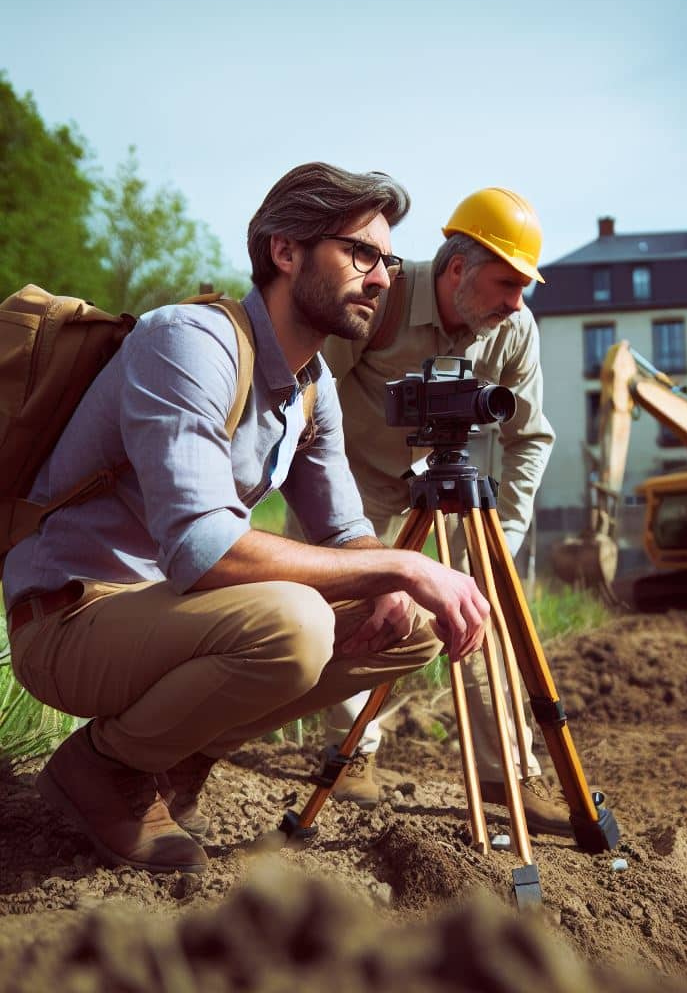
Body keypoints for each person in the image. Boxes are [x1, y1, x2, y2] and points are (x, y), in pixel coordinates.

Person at [2, 163, 489, 876]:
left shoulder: (311, 386)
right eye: (360, 253)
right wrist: (403, 562)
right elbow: (205, 551)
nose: (382, 277)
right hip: (72, 619)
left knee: (408, 621)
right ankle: (105, 768)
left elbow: (345, 530)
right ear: (285, 251)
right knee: (296, 622)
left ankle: (173, 760)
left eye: (387, 259)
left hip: (169, 619)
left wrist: (396, 579)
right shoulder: (190, 343)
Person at [311, 188, 573, 836]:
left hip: (446, 478)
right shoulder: (382, 298)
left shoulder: (514, 329)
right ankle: (352, 755)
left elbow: (531, 436)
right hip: (356, 477)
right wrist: (326, 510)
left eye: (524, 287)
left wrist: (502, 543)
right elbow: (307, 390)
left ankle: (507, 773)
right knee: (346, 605)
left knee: (479, 607)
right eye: (505, 283)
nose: (517, 301)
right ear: (457, 270)